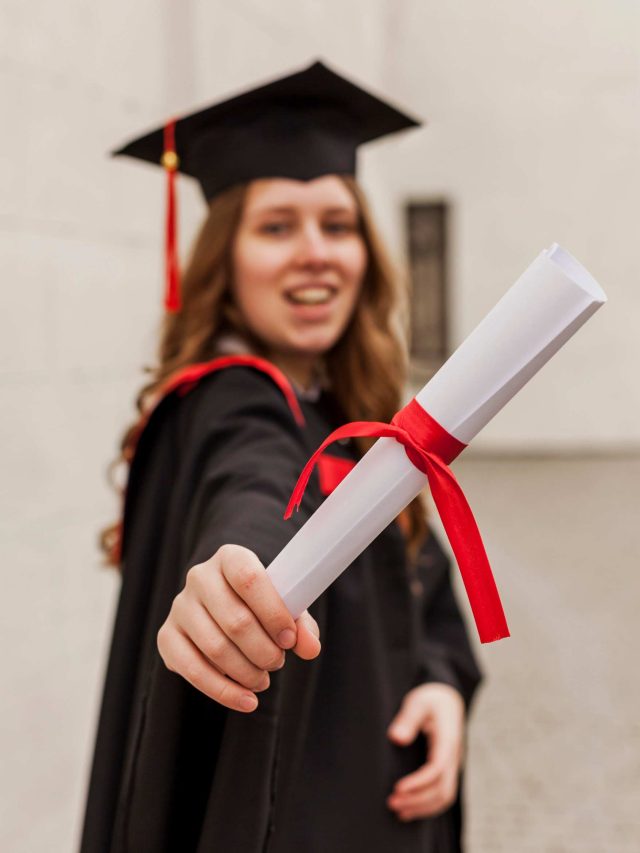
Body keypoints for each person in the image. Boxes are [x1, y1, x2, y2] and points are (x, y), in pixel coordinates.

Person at [80, 60, 482, 853]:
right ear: (223, 261)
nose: (316, 253)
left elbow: (424, 575)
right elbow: (252, 490)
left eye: (337, 225)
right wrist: (237, 579)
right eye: (276, 226)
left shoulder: (344, 413)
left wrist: (440, 680)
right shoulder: (228, 402)